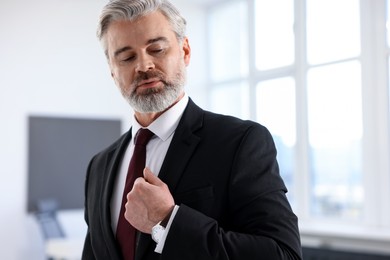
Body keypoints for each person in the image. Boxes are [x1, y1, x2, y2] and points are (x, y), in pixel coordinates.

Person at [82, 0, 302, 259]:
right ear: (112, 71)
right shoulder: (99, 166)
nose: (143, 66)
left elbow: (282, 254)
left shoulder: (240, 143)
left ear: (185, 51)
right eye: (127, 57)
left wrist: (167, 221)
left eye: (157, 49)